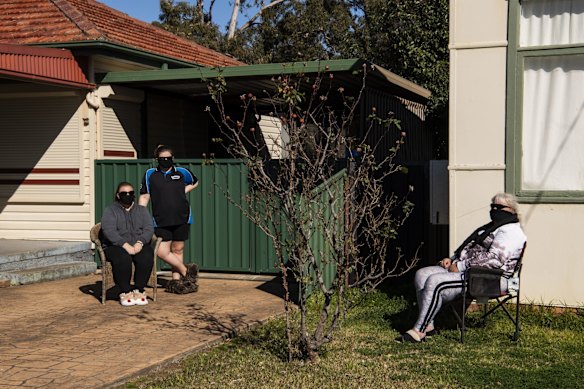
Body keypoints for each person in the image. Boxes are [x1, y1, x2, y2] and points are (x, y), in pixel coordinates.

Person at [396, 193, 527, 343]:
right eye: (492, 206)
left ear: (511, 210)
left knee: (435, 281)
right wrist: (451, 260)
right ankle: (429, 326)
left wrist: (459, 266)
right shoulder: (491, 228)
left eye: (499, 207)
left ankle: (418, 331)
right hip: (471, 272)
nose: (495, 210)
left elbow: (494, 260)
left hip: (492, 278)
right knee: (422, 274)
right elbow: (470, 250)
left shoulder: (511, 231)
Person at [139, 145, 199, 294]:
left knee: (178, 250)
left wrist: (183, 190)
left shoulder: (182, 172)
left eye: (168, 158)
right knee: (161, 251)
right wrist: (140, 214)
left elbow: (195, 182)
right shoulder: (150, 174)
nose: (165, 160)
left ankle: (177, 283)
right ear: (156, 159)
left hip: (182, 217)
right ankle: (187, 272)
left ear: (172, 158)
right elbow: (145, 195)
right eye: (162, 158)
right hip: (160, 219)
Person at [100, 182, 154, 306]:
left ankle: (139, 290)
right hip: (115, 246)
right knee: (122, 258)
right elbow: (108, 230)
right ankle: (125, 291)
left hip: (138, 244)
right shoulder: (110, 210)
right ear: (118, 195)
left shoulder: (141, 210)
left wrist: (140, 243)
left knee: (146, 256)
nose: (128, 195)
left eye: (131, 193)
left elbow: (148, 228)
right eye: (124, 193)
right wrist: (124, 245)